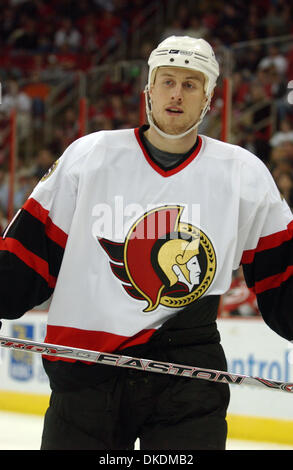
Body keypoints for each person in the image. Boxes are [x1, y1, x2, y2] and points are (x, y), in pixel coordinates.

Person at [0, 35, 293, 451]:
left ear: (209, 97)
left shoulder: (243, 174)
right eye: (167, 81)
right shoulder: (90, 156)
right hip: (86, 372)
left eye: (191, 84)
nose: (177, 94)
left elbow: (284, 276)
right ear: (148, 89)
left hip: (187, 370)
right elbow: (26, 258)